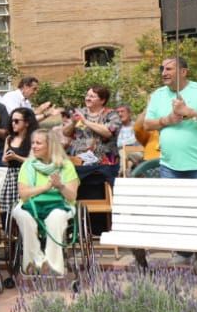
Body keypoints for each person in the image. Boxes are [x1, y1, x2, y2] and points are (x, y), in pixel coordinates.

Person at [14, 128, 79, 275]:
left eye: (38, 143)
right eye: (33, 143)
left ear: (50, 146)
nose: (34, 146)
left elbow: (71, 197)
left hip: (59, 204)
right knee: (23, 216)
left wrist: (60, 186)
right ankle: (35, 262)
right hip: (30, 204)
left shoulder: (66, 166)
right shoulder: (28, 165)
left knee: (56, 217)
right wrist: (46, 187)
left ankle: (52, 265)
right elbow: (23, 194)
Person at [143, 57, 197, 180]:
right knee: (171, 200)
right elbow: (147, 125)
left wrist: (190, 112)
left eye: (168, 69)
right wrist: (167, 120)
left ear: (183, 72)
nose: (164, 73)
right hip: (168, 166)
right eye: (162, 69)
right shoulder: (157, 94)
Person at [63, 84, 121, 212]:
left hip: (105, 163)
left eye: (92, 96)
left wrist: (85, 121)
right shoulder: (80, 112)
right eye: (87, 95)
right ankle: (76, 217)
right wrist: (72, 122)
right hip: (80, 163)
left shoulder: (111, 114)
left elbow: (108, 132)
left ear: (102, 100)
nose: (88, 98)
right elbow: (66, 133)